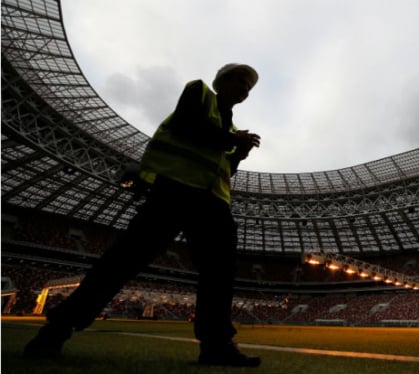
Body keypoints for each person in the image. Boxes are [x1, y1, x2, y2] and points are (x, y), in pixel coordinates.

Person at [24, 63, 263, 367]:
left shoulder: (228, 128)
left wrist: (237, 156)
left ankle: (216, 345)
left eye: (249, 88)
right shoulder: (199, 92)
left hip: (211, 202)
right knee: (123, 261)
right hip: (173, 192)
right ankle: (56, 329)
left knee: (219, 273)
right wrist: (231, 141)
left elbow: (221, 168)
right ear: (222, 81)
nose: (244, 90)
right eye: (240, 82)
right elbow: (185, 128)